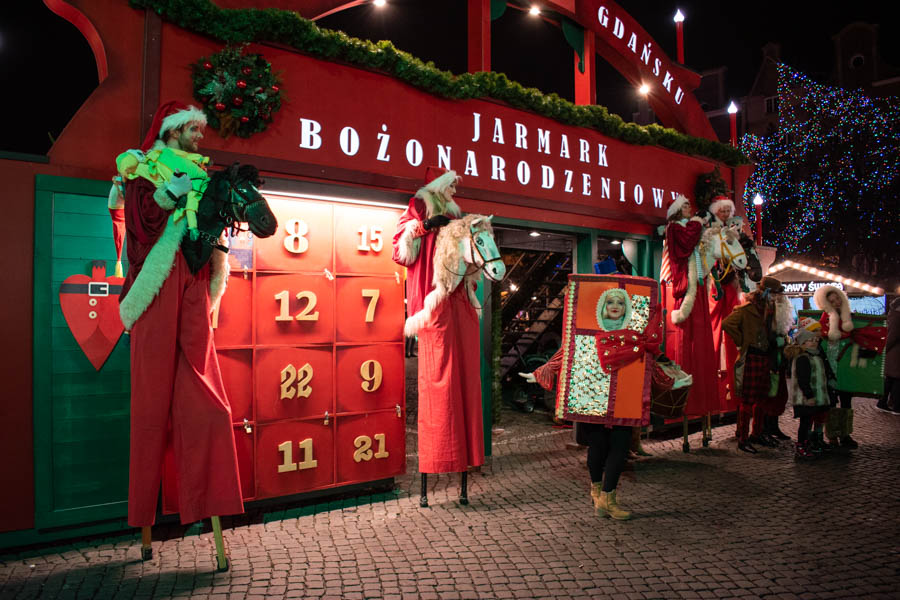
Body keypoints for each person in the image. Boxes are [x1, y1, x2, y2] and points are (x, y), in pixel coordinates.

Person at [115, 101, 244, 529]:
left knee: (209, 403)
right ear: (173, 129)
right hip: (159, 276)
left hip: (194, 272)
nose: (199, 136)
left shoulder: (203, 174)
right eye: (192, 128)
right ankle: (145, 518)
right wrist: (171, 193)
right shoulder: (145, 166)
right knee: (150, 403)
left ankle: (208, 503)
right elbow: (139, 219)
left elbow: (211, 224)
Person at [522, 288, 657, 520]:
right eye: (610, 301)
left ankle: (608, 499)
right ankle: (596, 491)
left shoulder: (634, 335)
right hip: (592, 399)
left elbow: (649, 363)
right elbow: (568, 353)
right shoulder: (588, 333)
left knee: (620, 448)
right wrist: (542, 371)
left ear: (626, 308)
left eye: (620, 302)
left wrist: (671, 380)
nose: (615, 305)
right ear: (603, 305)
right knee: (598, 447)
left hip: (623, 401)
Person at [392, 168, 482, 503]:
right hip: (434, 296)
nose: (456, 189)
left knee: (464, 379)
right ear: (439, 186)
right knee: (440, 381)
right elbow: (400, 245)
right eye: (453, 183)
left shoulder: (455, 213)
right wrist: (425, 226)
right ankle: (441, 456)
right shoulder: (420, 204)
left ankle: (464, 459)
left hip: (458, 297)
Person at [722, 277, 793, 453]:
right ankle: (743, 438)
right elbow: (727, 324)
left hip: (767, 357)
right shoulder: (748, 309)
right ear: (767, 293)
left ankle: (757, 433)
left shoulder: (772, 309)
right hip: (752, 356)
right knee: (748, 399)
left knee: (762, 399)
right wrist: (742, 342)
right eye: (777, 294)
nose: (779, 298)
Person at [664, 195, 718, 419]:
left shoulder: (687, 227)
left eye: (690, 205)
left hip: (696, 282)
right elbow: (686, 244)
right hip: (687, 285)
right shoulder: (676, 228)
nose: (689, 208)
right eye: (685, 205)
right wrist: (697, 222)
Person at [814, 285, 857, 448]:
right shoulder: (824, 321)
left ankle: (845, 434)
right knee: (831, 402)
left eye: (837, 298)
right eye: (831, 301)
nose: (836, 302)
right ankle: (832, 435)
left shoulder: (850, 318)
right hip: (830, 367)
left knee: (846, 401)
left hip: (846, 366)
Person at [787, 321, 835, 460]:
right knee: (805, 423)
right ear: (802, 343)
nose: (814, 343)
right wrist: (809, 395)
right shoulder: (803, 358)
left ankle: (808, 443)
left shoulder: (817, 356)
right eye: (810, 340)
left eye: (815, 340)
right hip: (806, 399)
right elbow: (803, 379)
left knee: (812, 420)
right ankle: (801, 445)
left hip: (817, 396)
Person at [879, 297, 900, 413]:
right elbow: (892, 336)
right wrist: (885, 349)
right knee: (896, 379)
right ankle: (896, 406)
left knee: (891, 379)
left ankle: (883, 402)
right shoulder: (897, 317)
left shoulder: (894, 315)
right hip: (895, 353)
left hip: (893, 353)